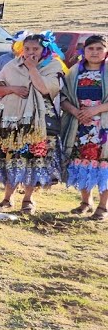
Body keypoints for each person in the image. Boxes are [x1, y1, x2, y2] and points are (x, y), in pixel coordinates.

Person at [0, 32, 65, 214]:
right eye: (27, 48)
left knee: (34, 158)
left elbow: (45, 88)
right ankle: (7, 199)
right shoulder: (12, 64)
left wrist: (32, 68)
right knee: (12, 157)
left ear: (44, 49)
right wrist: (12, 89)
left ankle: (28, 199)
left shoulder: (53, 65)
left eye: (36, 49)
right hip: (12, 120)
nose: (31, 52)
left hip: (39, 123)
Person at [60, 35, 108, 220]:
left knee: (104, 163)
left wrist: (95, 109)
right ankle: (86, 202)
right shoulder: (74, 72)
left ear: (105, 51)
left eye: (99, 49)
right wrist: (74, 111)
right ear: (84, 51)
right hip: (79, 126)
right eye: (91, 49)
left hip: (103, 127)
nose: (95, 52)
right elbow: (62, 97)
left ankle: (103, 207)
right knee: (82, 161)